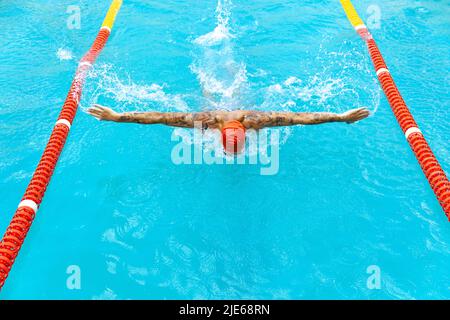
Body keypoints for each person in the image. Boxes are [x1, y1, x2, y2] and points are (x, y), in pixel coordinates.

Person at [87, 105, 370, 154]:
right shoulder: (203, 120)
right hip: (213, 110)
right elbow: (158, 117)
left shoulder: (259, 120)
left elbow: (302, 118)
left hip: (243, 109)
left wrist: (341, 117)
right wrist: (117, 116)